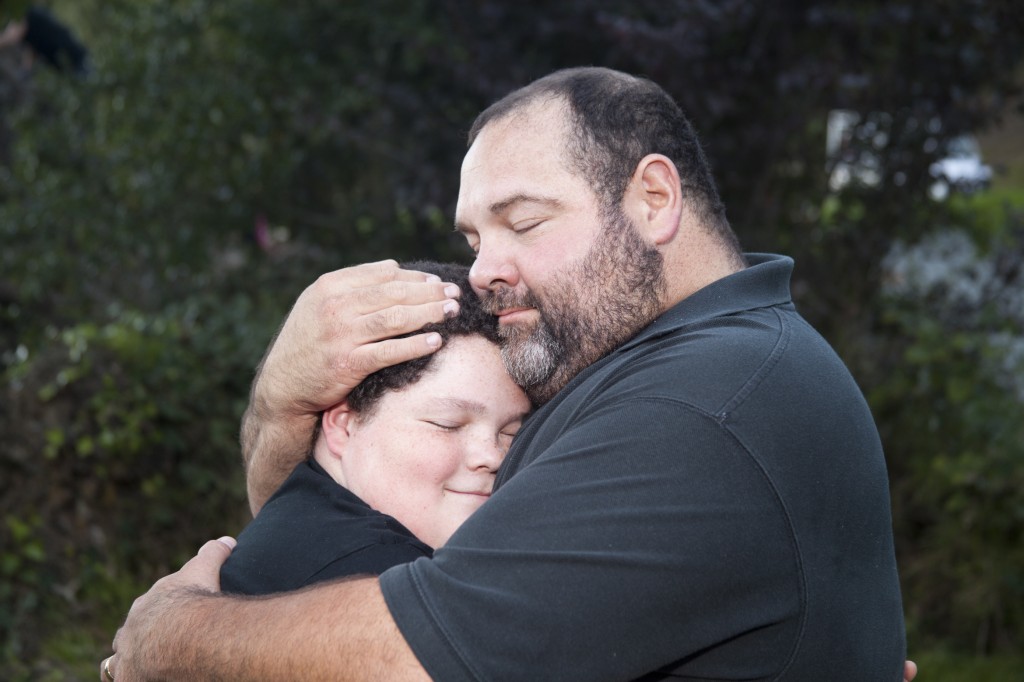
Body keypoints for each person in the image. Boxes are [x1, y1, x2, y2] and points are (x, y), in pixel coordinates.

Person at [105, 67, 915, 681]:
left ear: (655, 199)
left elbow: (416, 658)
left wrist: (166, 634)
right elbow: (352, 529)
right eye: (472, 241)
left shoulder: (700, 408)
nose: (487, 270)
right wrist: (284, 400)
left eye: (522, 221)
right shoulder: (671, 362)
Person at [219, 261, 531, 595]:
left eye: (512, 432)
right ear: (343, 425)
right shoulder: (381, 576)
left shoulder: (294, 525)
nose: (493, 455)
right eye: (448, 424)